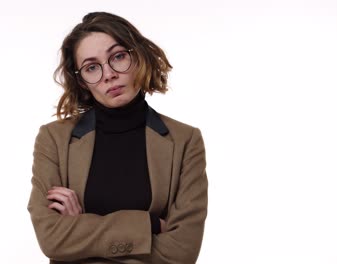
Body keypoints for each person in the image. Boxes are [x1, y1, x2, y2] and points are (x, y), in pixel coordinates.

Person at [27, 11, 208, 264]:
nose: (109, 74)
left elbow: (182, 251)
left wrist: (79, 230)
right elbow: (51, 239)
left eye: (118, 57)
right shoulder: (54, 140)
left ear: (138, 57)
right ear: (82, 82)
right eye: (92, 67)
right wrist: (149, 224)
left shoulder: (185, 141)